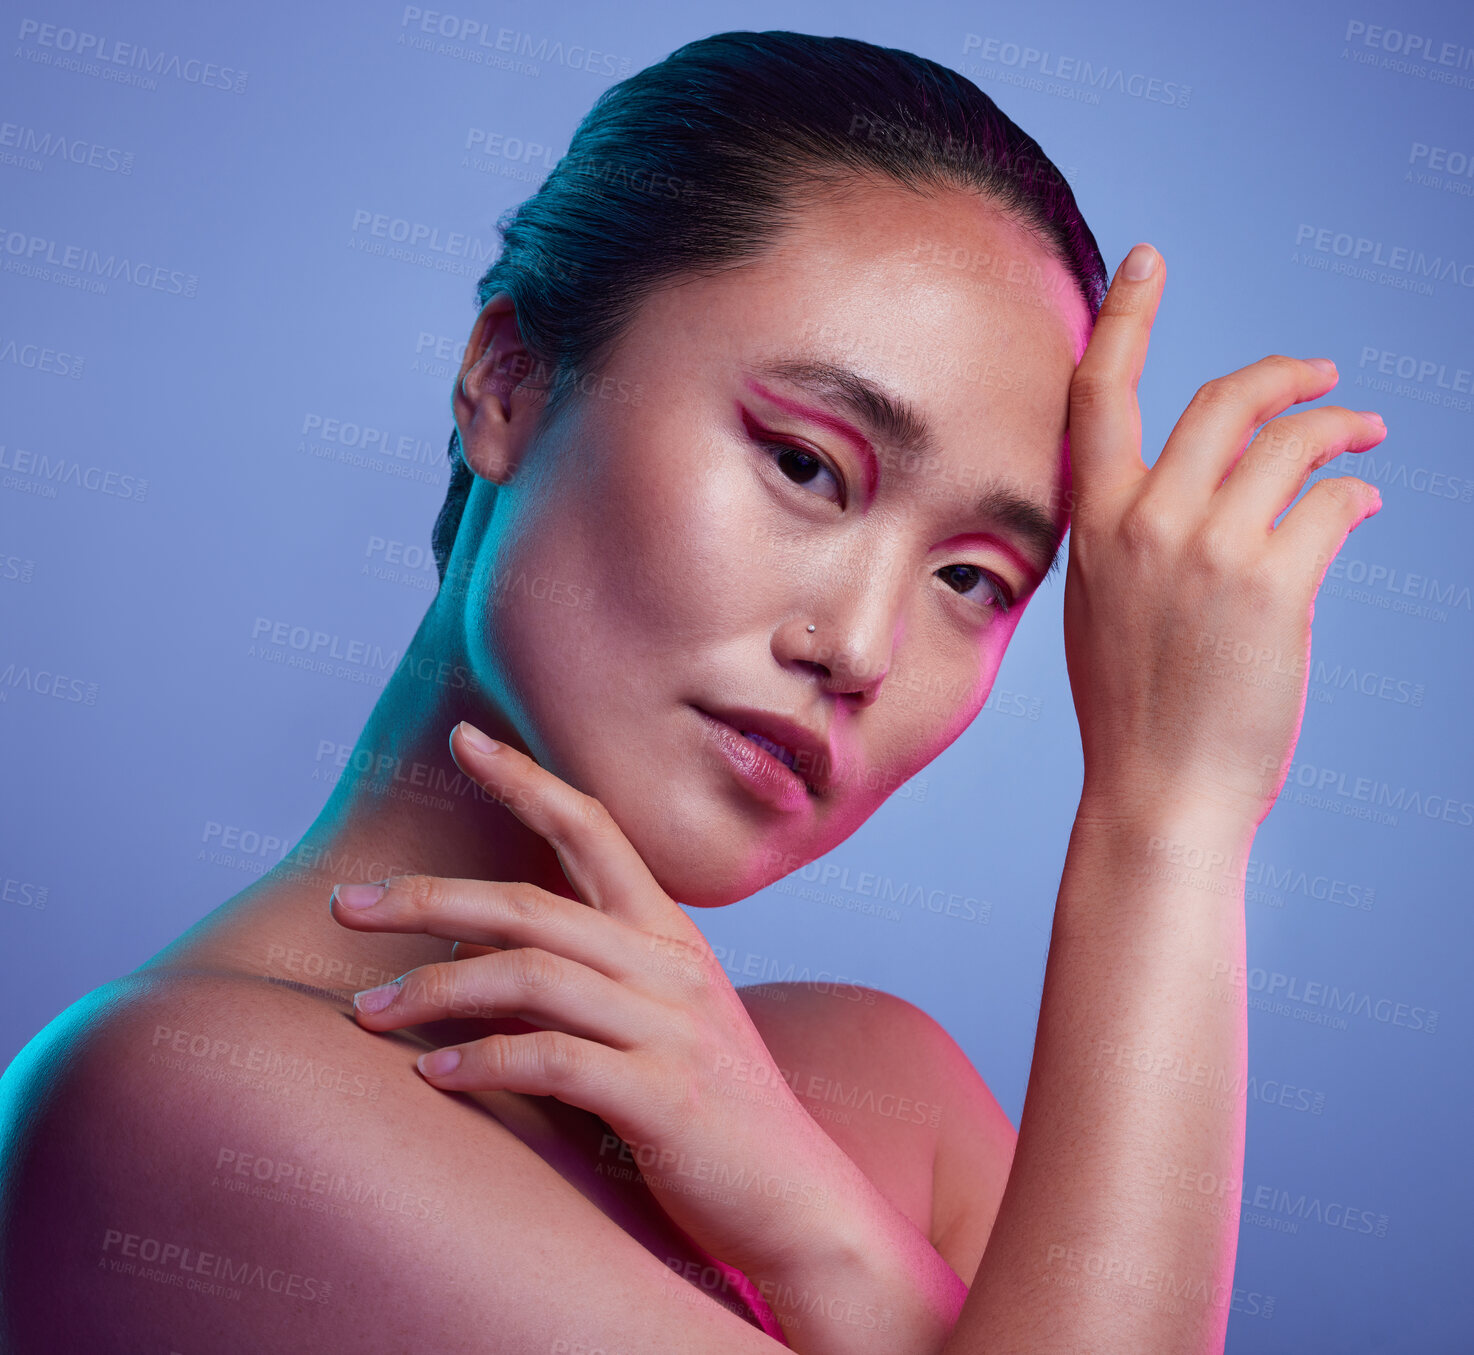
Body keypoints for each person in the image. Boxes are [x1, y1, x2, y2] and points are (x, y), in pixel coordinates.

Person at [0, 29, 1385, 1355]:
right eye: (804, 465)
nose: (860, 645)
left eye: (972, 578)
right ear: (508, 379)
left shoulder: (871, 1100)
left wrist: (811, 1218)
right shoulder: (178, 1103)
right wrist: (1165, 820)